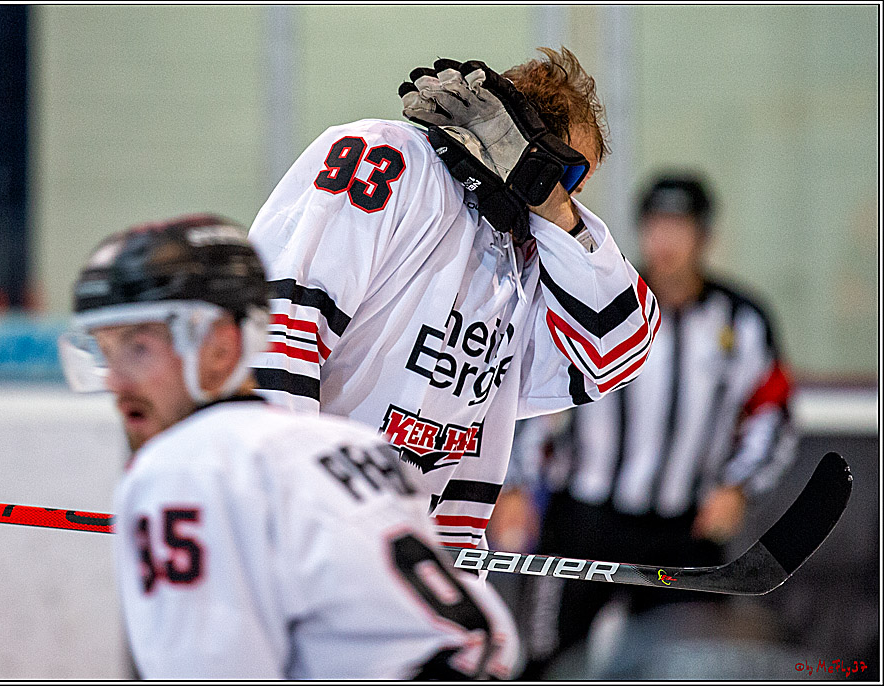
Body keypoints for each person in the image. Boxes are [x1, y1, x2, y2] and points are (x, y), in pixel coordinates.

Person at [58, 214, 520, 679]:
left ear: (219, 346)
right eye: (104, 352)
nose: (115, 383)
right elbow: (486, 637)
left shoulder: (186, 468)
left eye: (137, 349)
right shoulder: (355, 445)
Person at [247, 48, 660, 549]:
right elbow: (280, 319)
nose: (567, 202)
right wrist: (281, 495)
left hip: (425, 560)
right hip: (312, 532)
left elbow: (615, 355)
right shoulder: (385, 158)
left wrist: (547, 198)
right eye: (570, 178)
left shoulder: (528, 256)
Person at [492, 173, 798, 676]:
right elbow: (534, 400)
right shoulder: (604, 306)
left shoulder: (742, 321)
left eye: (679, 228)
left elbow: (773, 413)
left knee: (683, 664)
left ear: (705, 237)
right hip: (584, 522)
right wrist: (519, 486)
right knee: (544, 661)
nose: (666, 241)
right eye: (656, 226)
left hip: (683, 531)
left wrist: (738, 487)